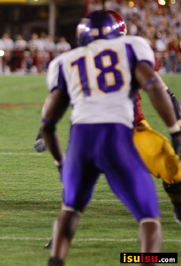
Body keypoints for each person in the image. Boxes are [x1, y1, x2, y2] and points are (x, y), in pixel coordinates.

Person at [40, 10, 181, 265]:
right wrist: (176, 129)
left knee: (72, 207)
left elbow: (48, 119)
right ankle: (154, 260)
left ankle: (56, 257)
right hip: (119, 135)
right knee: (149, 217)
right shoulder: (132, 48)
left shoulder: (65, 61)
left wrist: (58, 158)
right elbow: (154, 86)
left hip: (94, 136)